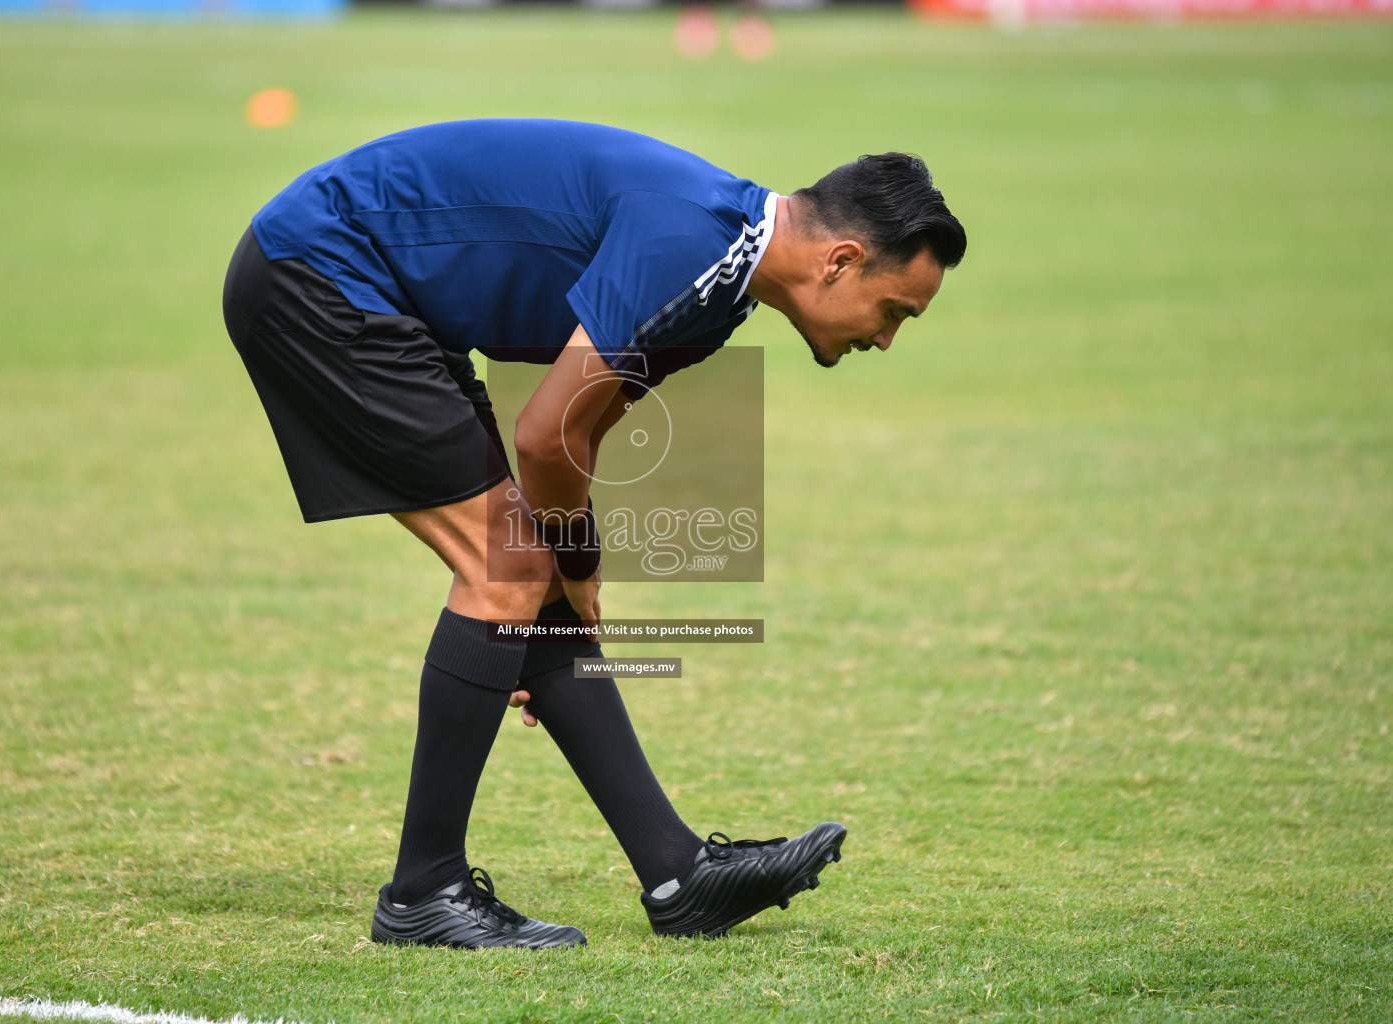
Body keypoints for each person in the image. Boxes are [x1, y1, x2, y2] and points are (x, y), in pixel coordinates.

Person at [220, 118, 966, 949]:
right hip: (319, 271)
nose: (887, 337)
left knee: (523, 572)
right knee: (506, 570)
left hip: (374, 292)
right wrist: (579, 568)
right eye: (894, 310)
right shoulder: (697, 247)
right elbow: (546, 438)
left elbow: (582, 424)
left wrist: (567, 585)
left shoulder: (722, 291)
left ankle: (679, 873)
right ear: (841, 261)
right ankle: (423, 890)